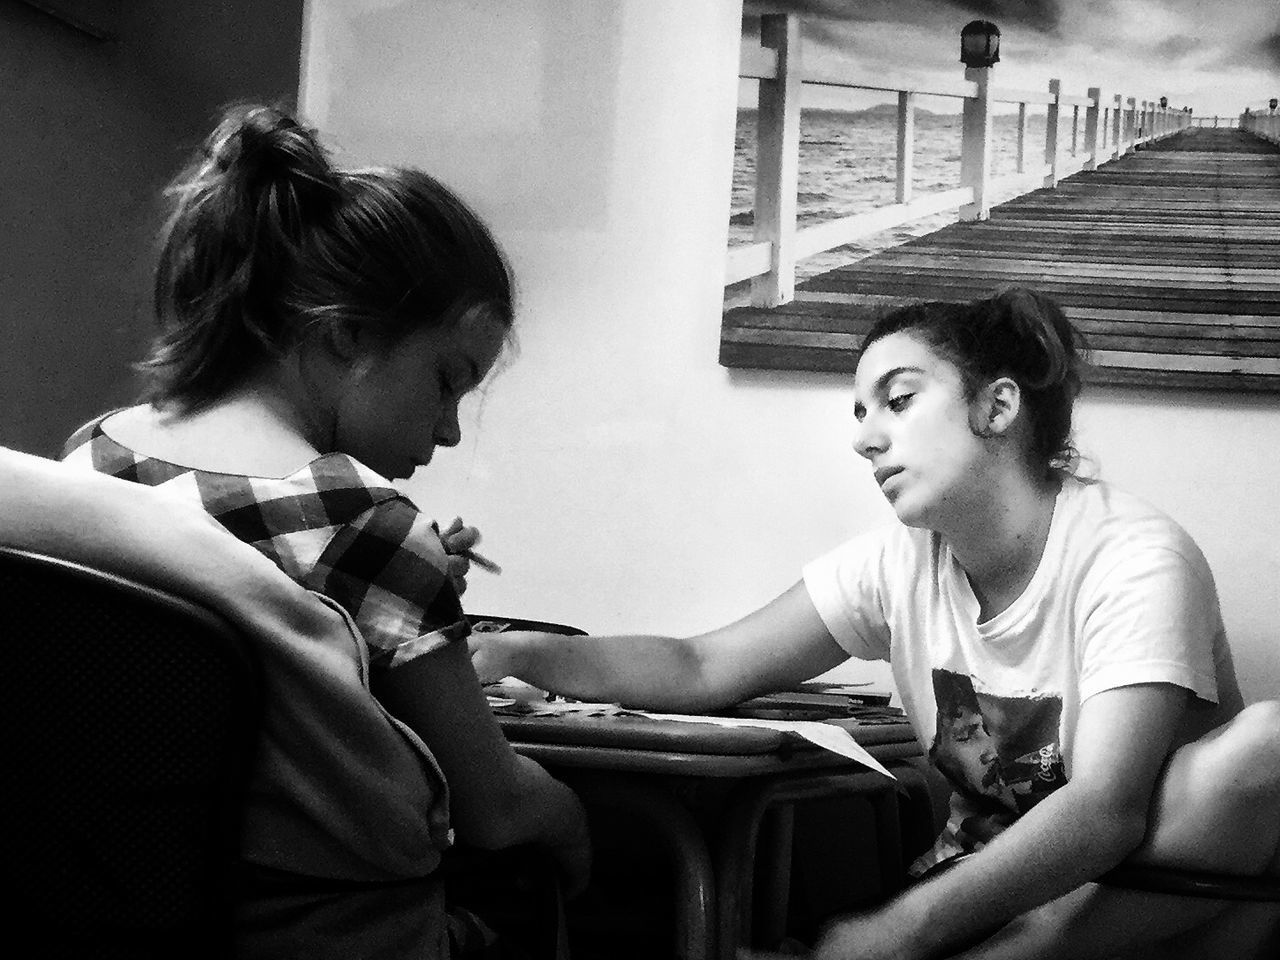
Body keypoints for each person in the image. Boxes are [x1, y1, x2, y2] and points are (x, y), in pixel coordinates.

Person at [471, 287, 1280, 960]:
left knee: (1264, 747)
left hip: (1145, 916)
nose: (864, 439)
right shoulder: (902, 562)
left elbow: (1105, 809)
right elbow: (701, 665)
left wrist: (899, 931)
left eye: (897, 399)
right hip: (977, 900)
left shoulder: (1132, 556)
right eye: (861, 413)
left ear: (998, 405)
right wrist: (523, 651)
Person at [59, 102, 589, 947]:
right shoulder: (364, 520)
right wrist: (570, 822)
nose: (448, 430)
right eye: (445, 382)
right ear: (344, 336)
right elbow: (495, 810)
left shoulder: (94, 462)